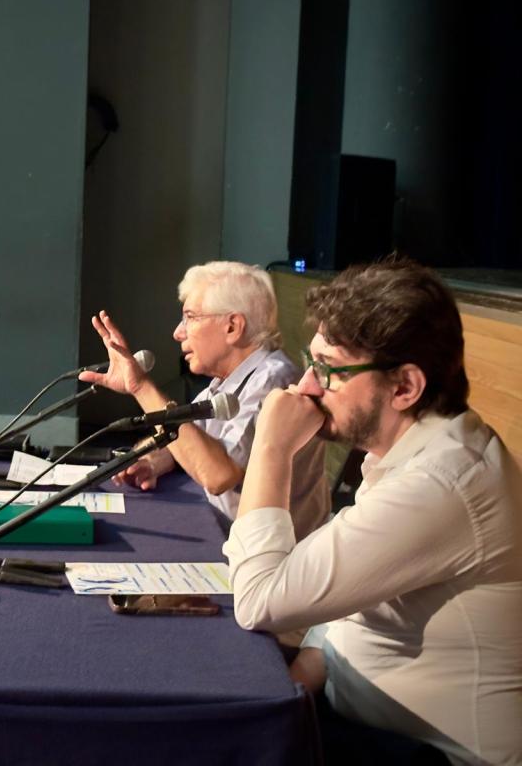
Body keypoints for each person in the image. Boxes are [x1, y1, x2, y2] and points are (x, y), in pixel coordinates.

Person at [224, 260, 522, 764]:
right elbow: (358, 594)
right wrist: (311, 665)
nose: (309, 386)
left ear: (404, 387)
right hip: (360, 719)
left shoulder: (440, 484)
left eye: (330, 370)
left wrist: (271, 447)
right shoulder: (416, 450)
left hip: (433, 754)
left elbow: (258, 601)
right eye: (311, 361)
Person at [80, 261, 329, 540]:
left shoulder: (274, 382)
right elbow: (188, 440)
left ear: (232, 326)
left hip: (275, 557)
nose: (178, 332)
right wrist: (153, 459)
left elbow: (218, 476)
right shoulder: (225, 382)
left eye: (190, 317)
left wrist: (140, 387)